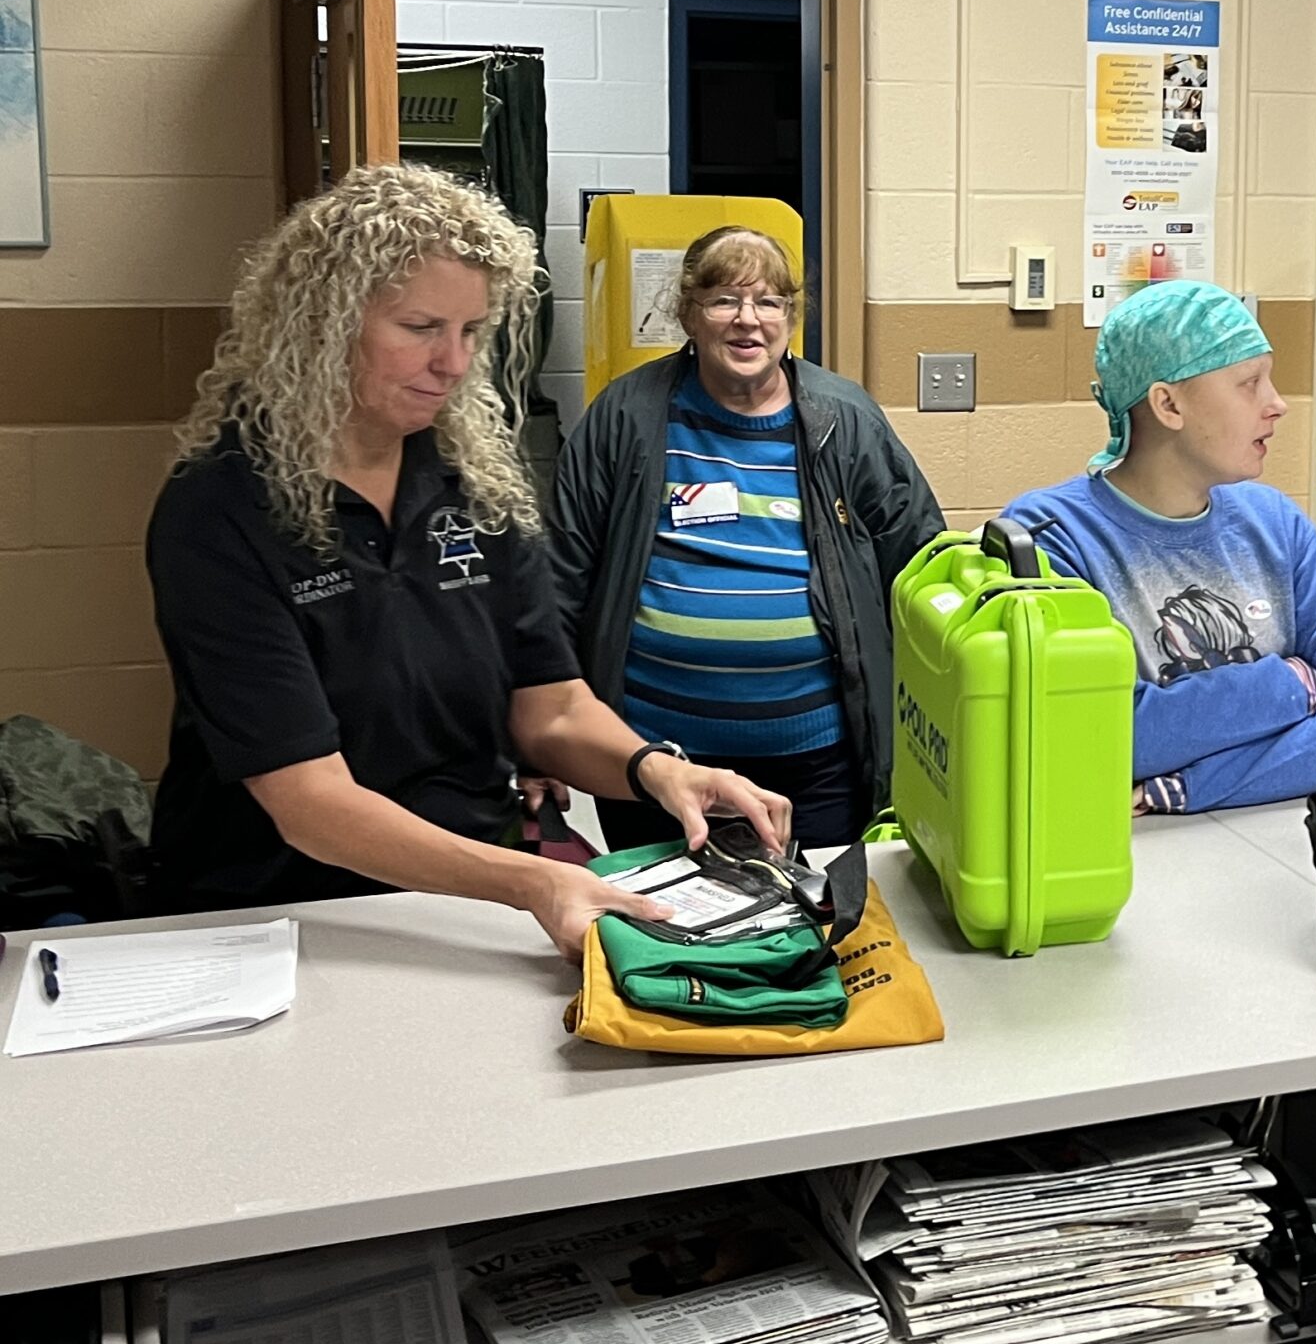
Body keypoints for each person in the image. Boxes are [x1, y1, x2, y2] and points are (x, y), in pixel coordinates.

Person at [147, 166, 787, 956]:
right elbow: (311, 802)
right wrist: (533, 881)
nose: (453, 363)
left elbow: (548, 707)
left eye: (472, 332)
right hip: (278, 914)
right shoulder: (222, 509)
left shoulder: (468, 482)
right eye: (421, 328)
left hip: (462, 899)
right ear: (322, 323)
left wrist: (658, 771)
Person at [549, 226, 944, 849]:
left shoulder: (845, 420)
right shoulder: (625, 417)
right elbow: (561, 578)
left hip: (818, 762)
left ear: (791, 316)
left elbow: (921, 568)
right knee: (668, 922)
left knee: (814, 925)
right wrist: (549, 732)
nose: (748, 321)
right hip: (657, 757)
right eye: (724, 300)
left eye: (768, 302)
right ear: (687, 313)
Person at [1005, 281, 1316, 815]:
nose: (1277, 405)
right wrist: (1292, 683)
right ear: (1168, 404)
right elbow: (1098, 738)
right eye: (1249, 383)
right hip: (1125, 858)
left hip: (1281, 845)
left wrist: (1183, 786)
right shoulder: (1051, 539)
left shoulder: (1277, 525)